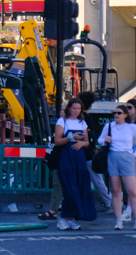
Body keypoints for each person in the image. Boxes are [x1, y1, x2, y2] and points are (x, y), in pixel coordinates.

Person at [98, 105, 136, 230]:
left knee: (132, 190)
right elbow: (100, 139)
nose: (116, 115)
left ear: (125, 115)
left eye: (119, 113)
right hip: (112, 157)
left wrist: (135, 155)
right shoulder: (109, 126)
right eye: (115, 112)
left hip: (126, 157)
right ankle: (119, 220)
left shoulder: (131, 127)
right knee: (115, 190)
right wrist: (105, 140)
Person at [54, 97, 96, 230]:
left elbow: (87, 142)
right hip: (66, 157)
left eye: (79, 109)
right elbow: (57, 141)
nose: (76, 111)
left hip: (79, 158)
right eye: (74, 108)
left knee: (78, 187)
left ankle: (70, 218)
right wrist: (71, 138)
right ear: (69, 109)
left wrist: (82, 142)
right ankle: (64, 218)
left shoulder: (82, 122)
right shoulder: (62, 121)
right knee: (69, 187)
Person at [77, 92, 113, 214]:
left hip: (84, 154)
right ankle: (110, 202)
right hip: (89, 153)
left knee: (94, 180)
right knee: (97, 180)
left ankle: (111, 202)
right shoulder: (88, 118)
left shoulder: (81, 118)